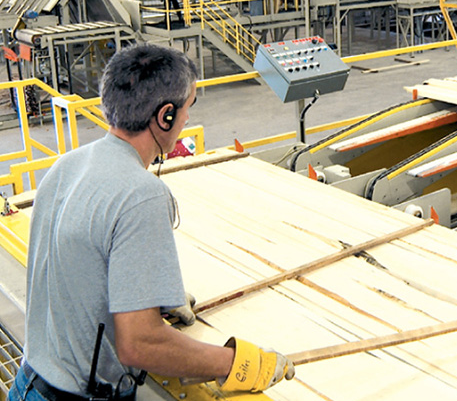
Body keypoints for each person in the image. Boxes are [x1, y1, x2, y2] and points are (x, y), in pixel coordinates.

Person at [9, 45, 294, 401]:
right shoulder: (141, 194)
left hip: (30, 384)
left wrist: (146, 296)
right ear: (165, 116)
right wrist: (237, 363)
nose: (188, 119)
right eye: (189, 107)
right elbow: (139, 345)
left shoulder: (67, 165)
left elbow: (77, 267)